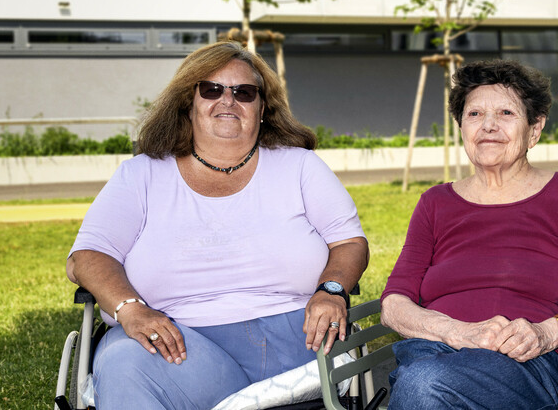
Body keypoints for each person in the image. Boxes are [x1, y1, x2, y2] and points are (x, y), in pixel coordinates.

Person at [65, 41, 369, 409]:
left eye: (244, 92)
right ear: (187, 104)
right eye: (211, 89)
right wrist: (130, 308)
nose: (228, 101)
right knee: (124, 363)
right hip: (174, 345)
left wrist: (332, 289)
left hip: (295, 342)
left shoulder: (300, 167)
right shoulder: (141, 175)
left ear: (262, 110)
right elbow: (87, 256)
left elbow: (350, 242)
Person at [379, 60, 558, 409]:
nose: (488, 125)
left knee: (423, 384)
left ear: (534, 130)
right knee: (425, 378)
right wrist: (456, 332)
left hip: (520, 361)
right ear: (461, 127)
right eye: (474, 114)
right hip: (431, 350)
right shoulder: (435, 202)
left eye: (506, 113)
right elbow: (393, 304)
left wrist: (550, 332)